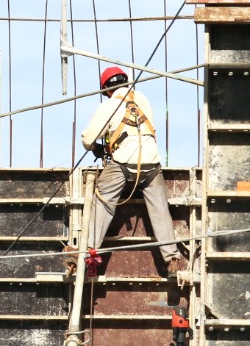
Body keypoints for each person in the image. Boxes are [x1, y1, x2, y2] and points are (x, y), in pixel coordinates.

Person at [79, 66, 188, 274]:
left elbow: (87, 138)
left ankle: (88, 251)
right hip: (151, 163)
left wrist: (97, 148)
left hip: (123, 163)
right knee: (160, 209)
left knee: (104, 200)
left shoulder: (110, 104)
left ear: (107, 90)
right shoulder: (143, 99)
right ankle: (172, 257)